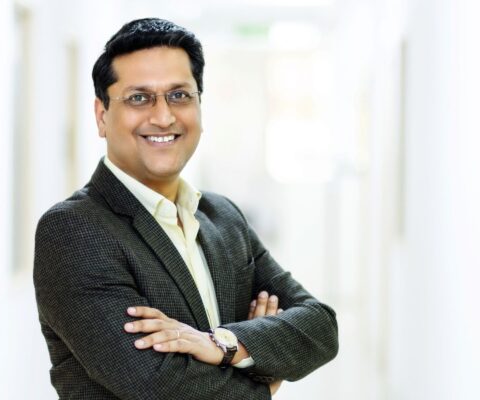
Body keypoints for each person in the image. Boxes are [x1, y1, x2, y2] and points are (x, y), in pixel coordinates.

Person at [33, 18, 338, 400]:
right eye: (139, 98)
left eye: (179, 95)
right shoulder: (74, 230)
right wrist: (264, 379)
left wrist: (223, 345)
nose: (163, 117)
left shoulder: (223, 217)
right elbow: (156, 385)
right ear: (102, 116)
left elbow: (320, 328)